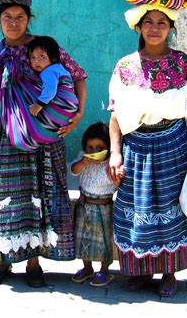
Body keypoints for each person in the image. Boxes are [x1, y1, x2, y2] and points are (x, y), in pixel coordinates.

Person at [0, 0, 87, 287]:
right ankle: (3, 259)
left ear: (29, 18)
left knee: (40, 198)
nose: (14, 22)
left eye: (20, 16)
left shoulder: (44, 48)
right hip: (5, 140)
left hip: (43, 139)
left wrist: (78, 114)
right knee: (6, 199)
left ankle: (33, 263)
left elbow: (78, 75)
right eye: (7, 17)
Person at [109, 0, 187, 297]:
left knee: (170, 209)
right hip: (136, 147)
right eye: (148, 22)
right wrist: (115, 153)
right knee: (137, 209)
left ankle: (169, 272)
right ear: (138, 27)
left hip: (173, 145)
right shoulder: (125, 67)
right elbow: (114, 115)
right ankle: (140, 270)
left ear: (170, 27)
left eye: (161, 22)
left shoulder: (184, 64)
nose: (154, 27)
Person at [70, 122, 118, 287]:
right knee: (83, 238)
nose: (94, 152)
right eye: (90, 147)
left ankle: (104, 270)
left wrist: (117, 176)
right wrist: (83, 162)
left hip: (103, 208)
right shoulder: (83, 158)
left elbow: (119, 183)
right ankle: (87, 267)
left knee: (103, 241)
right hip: (84, 206)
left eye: (99, 148)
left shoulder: (111, 164)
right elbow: (74, 170)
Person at [27, 35, 78, 118]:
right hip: (72, 106)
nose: (37, 61)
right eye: (33, 57)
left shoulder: (48, 71)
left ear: (53, 57)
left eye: (42, 56)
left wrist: (38, 105)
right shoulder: (59, 68)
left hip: (63, 106)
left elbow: (50, 89)